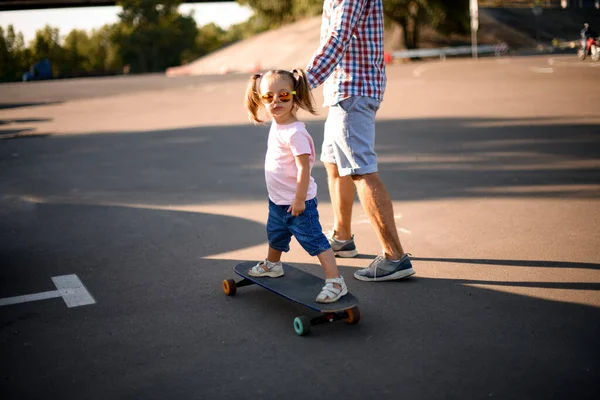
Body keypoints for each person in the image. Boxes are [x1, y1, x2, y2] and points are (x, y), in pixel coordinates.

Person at [305, 0, 415, 282]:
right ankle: (343, 238)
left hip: (352, 89)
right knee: (333, 163)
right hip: (341, 90)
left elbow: (339, 34)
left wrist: (306, 80)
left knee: (360, 170)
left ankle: (395, 257)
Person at [243, 68, 348, 303]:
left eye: (284, 95)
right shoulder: (278, 124)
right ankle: (273, 264)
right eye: (269, 96)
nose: (276, 101)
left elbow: (304, 168)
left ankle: (335, 281)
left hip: (298, 203)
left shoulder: (295, 133)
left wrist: (299, 199)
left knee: (315, 241)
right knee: (276, 235)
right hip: (278, 201)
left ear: (295, 97)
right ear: (261, 99)